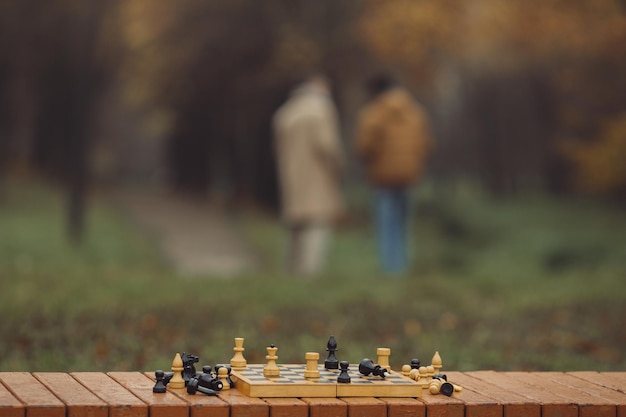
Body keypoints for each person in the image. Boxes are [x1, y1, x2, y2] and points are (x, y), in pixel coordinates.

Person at [355, 74, 432, 275]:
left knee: (386, 222)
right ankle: (403, 265)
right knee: (403, 222)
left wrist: (369, 160)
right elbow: (426, 144)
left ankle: (390, 268)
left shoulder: (373, 113)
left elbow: (365, 146)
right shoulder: (416, 112)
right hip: (409, 175)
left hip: (383, 176)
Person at [273, 75, 345, 276]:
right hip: (317, 175)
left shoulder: (286, 112)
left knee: (295, 223)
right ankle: (310, 272)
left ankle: (291, 270)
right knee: (317, 223)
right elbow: (327, 145)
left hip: (291, 173)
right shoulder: (322, 110)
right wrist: (338, 166)